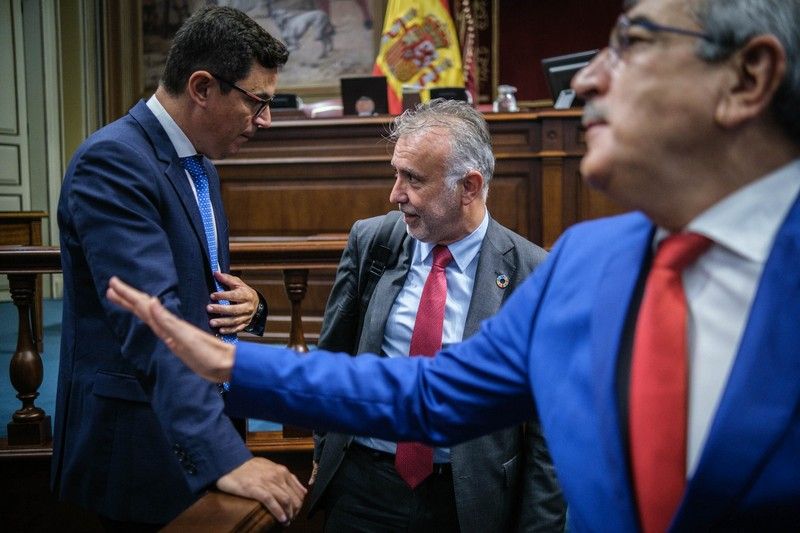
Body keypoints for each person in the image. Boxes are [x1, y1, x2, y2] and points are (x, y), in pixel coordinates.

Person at [107, 0, 800, 530]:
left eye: (634, 45)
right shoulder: (589, 261)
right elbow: (429, 394)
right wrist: (232, 363)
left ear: (747, 78)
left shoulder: (533, 263)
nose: (588, 77)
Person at [53, 6, 306, 529]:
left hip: (198, 426)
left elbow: (197, 283)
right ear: (202, 87)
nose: (266, 120)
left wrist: (251, 308)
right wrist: (227, 456)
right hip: (138, 446)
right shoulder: (114, 161)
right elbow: (152, 325)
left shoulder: (200, 166)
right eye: (258, 101)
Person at [307, 99, 565, 532]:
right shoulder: (372, 241)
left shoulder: (532, 273)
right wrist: (322, 448)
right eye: (396, 173)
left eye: (413, 179)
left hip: (466, 502)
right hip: (362, 489)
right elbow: (331, 356)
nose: (395, 194)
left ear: (469, 187)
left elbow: (549, 432)